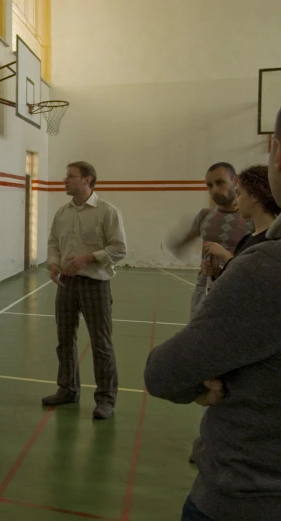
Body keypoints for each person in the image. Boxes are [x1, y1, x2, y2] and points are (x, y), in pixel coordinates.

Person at [144, 108, 281, 521]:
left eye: (222, 183)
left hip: (245, 494)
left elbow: (164, 372)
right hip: (213, 300)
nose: (217, 191)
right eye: (210, 185)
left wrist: (227, 263)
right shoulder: (210, 216)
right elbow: (184, 238)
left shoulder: (262, 255)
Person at [44, 161, 126, 420]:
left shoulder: (107, 211)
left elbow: (119, 249)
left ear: (87, 180)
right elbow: (54, 242)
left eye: (70, 176)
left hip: (95, 284)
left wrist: (88, 258)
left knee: (101, 343)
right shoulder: (62, 213)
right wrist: (53, 263)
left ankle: (105, 399)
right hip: (66, 285)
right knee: (64, 340)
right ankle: (67, 388)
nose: (64, 180)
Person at [168, 162, 252, 319]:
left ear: (236, 181)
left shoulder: (250, 218)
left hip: (237, 289)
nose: (214, 190)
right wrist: (179, 242)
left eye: (220, 183)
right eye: (210, 185)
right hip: (204, 287)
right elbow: (188, 238)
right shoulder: (205, 215)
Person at [203, 164, 279, 271]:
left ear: (254, 196)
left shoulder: (274, 241)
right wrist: (217, 273)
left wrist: (226, 256)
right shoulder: (246, 239)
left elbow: (257, 279)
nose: (234, 202)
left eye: (238, 193)